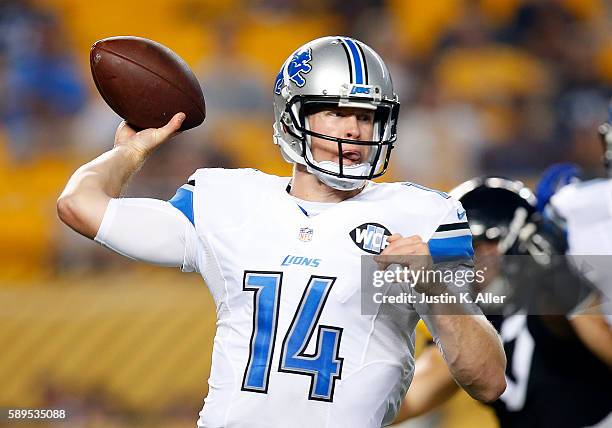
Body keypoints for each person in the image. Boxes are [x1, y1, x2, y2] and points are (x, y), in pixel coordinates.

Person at [57, 36, 505, 427]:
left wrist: (433, 285)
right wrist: (131, 151)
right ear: (294, 118)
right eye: (334, 111)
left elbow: (487, 380)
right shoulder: (229, 200)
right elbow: (79, 206)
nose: (354, 129)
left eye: (366, 116)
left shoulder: (420, 215)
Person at [395, 175, 612, 428]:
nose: (473, 261)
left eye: (483, 245)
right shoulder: (472, 316)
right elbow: (411, 396)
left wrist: (565, 282)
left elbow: (596, 333)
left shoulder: (549, 297)